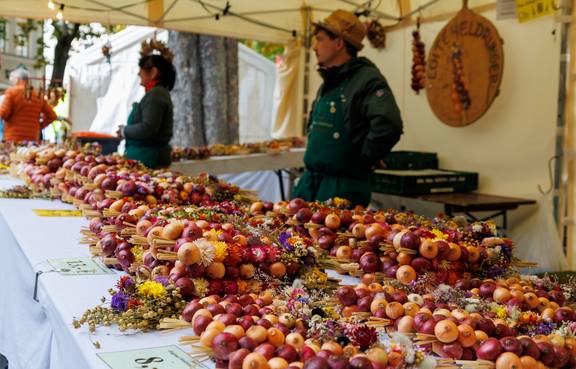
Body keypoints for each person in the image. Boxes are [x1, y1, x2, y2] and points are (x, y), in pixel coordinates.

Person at [292, 10, 403, 207]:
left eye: (320, 40)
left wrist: (362, 159)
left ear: (339, 43)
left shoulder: (367, 79)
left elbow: (389, 124)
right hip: (310, 185)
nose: (315, 47)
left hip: (342, 191)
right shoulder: (329, 81)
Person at [117, 50, 175, 169]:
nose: (139, 73)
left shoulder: (156, 94)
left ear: (153, 72)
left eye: (141, 69)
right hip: (148, 158)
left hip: (150, 159)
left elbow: (148, 128)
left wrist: (124, 131)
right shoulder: (157, 93)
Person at [0, 68, 57, 142]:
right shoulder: (38, 95)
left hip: (13, 138)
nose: (13, 82)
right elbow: (52, 116)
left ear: (18, 79)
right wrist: (39, 126)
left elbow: (3, 113)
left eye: (12, 79)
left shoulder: (12, 92)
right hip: (32, 138)